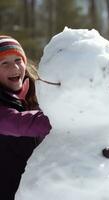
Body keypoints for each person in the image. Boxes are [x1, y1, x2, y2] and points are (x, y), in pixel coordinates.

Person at [0, 35, 51, 200]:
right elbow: (20, 124)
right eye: (4, 63)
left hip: (33, 187)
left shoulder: (35, 94)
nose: (14, 66)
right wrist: (63, 116)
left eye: (17, 60)